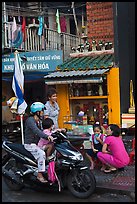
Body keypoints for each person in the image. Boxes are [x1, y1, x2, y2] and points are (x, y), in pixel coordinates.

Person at [24, 102, 54, 183]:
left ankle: (46, 168)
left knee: (50, 146)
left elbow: (43, 131)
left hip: (36, 145)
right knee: (42, 154)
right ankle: (39, 175)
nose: (43, 113)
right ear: (37, 112)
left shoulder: (38, 121)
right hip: (30, 144)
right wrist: (47, 136)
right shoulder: (30, 120)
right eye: (42, 111)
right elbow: (36, 131)